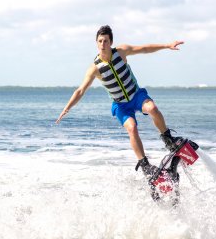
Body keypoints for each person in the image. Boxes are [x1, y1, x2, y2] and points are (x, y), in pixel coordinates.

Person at [56, 25, 183, 180]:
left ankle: (168, 139)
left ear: (111, 42)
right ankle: (145, 165)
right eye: (100, 41)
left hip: (136, 95)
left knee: (152, 108)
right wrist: (67, 108)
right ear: (96, 43)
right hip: (121, 105)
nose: (103, 44)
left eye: (106, 41)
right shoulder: (95, 68)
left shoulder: (121, 52)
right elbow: (80, 90)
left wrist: (166, 45)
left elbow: (144, 48)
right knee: (132, 127)